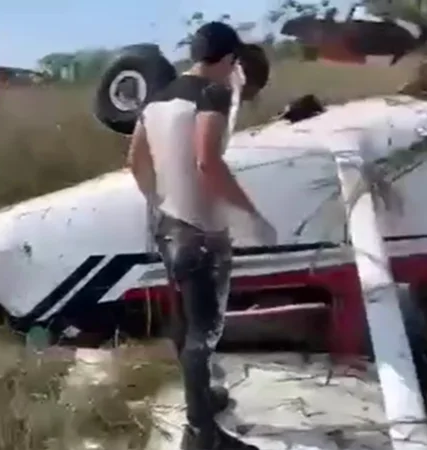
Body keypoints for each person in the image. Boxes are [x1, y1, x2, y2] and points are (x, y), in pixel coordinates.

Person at [127, 21, 277, 450]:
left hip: (168, 227)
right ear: (230, 61)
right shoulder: (214, 94)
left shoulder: (157, 98)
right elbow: (208, 162)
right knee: (204, 332)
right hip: (203, 234)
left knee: (187, 324)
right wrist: (252, 216)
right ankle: (202, 434)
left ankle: (203, 400)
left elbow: (135, 159)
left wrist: (159, 200)